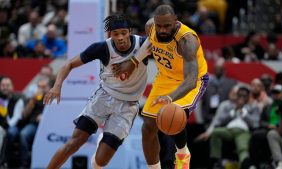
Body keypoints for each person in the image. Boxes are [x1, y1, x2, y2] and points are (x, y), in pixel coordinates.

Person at [43, 14, 149, 169]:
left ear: (130, 31)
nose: (120, 37)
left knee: (102, 161)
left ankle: (102, 143)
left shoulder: (144, 44)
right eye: (115, 34)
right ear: (110, 35)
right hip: (104, 97)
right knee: (74, 143)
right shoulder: (102, 48)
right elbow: (69, 64)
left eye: (123, 33)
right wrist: (57, 85)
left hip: (128, 105)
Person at [114, 5, 209, 169]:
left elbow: (191, 80)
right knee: (148, 128)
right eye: (159, 26)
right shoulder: (151, 27)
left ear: (175, 21)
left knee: (173, 113)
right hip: (165, 78)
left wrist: (170, 97)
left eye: (167, 26)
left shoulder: (187, 40)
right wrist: (132, 63)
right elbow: (148, 45)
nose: (162, 30)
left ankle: (182, 153)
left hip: (191, 80)